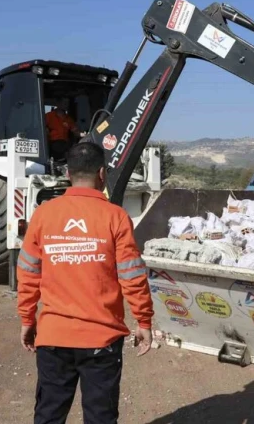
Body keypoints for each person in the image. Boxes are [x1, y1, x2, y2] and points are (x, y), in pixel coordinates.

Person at [17, 142, 155, 424]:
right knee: (100, 417)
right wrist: (144, 321)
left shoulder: (43, 214)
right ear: (102, 174)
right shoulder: (115, 217)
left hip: (54, 336)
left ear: (68, 173)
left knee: (48, 415)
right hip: (101, 340)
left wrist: (27, 319)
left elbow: (28, 273)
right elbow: (132, 275)